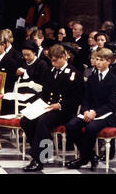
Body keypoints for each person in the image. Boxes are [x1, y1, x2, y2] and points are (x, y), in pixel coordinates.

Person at [21, 44, 84, 172]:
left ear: (63, 57)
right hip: (49, 106)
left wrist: (59, 105)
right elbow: (45, 92)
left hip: (65, 110)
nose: (53, 63)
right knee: (25, 120)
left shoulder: (74, 73)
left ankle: (40, 159)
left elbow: (77, 98)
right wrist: (34, 105)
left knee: (43, 121)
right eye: (51, 60)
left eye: (55, 60)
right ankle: (43, 149)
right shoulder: (50, 71)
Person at [65, 48, 116, 171]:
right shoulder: (92, 77)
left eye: (101, 60)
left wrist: (95, 112)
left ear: (109, 61)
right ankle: (89, 156)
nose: (98, 62)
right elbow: (85, 98)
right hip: (90, 112)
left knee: (91, 128)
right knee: (71, 125)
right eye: (96, 59)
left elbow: (111, 104)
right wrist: (85, 110)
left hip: (108, 114)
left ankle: (83, 158)